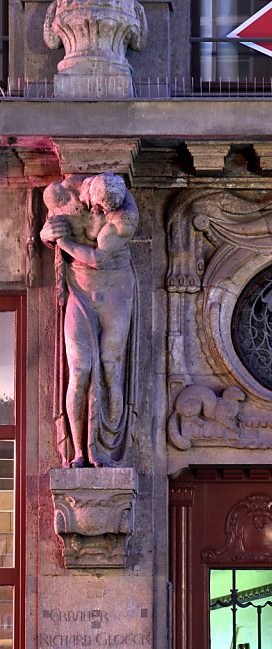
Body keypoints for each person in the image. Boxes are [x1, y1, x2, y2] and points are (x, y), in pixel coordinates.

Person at [41, 172, 138, 467]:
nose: (99, 212)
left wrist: (63, 241)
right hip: (79, 290)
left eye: (105, 210)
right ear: (88, 191)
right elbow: (47, 230)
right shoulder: (58, 194)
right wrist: (47, 235)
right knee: (80, 369)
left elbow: (98, 259)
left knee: (111, 366)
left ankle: (105, 449)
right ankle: (79, 452)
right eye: (97, 206)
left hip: (114, 291)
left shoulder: (125, 216)